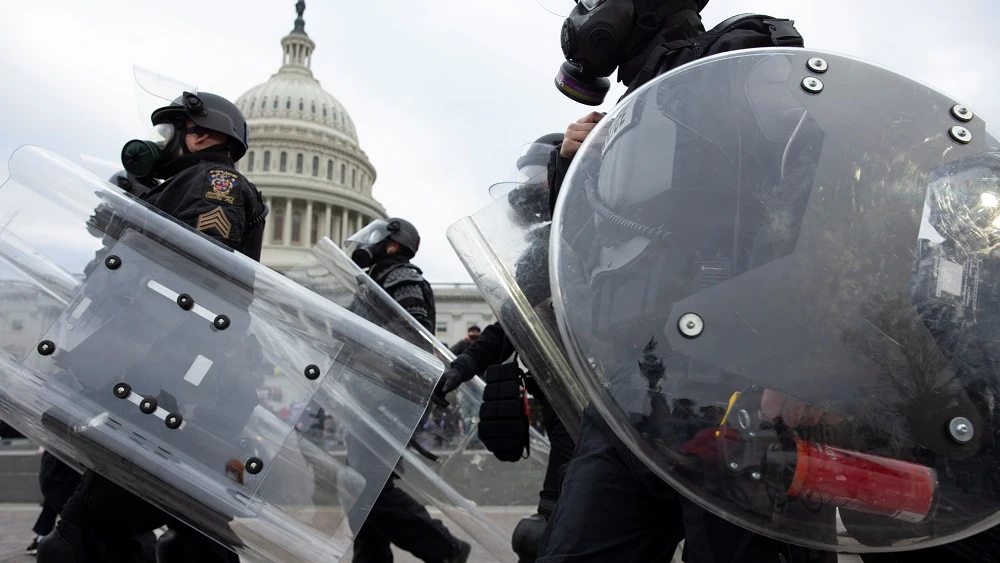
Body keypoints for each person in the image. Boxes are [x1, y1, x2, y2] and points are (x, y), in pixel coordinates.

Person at [538, 7, 1000, 561]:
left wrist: (805, 353)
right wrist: (574, 168)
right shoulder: (631, 116)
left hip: (740, 382)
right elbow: (589, 249)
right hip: (632, 385)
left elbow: (836, 188)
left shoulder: (746, 62)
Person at [38, 87, 266, 563]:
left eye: (171, 131)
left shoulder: (215, 184)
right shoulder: (185, 184)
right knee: (165, 527)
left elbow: (192, 277)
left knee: (82, 535)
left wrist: (134, 228)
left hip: (160, 373)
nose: (159, 142)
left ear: (202, 136)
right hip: (152, 372)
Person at [435, 133, 577, 563]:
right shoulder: (540, 247)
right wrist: (464, 364)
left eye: (538, 176)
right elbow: (515, 323)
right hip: (564, 406)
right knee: (544, 532)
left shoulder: (597, 239)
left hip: (611, 408)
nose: (528, 186)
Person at [344, 217, 472, 563]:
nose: (365, 244)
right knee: (360, 485)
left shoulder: (401, 279)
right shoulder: (376, 280)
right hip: (371, 393)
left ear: (393, 245)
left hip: (389, 395)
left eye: (375, 238)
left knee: (369, 487)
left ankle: (445, 547)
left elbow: (409, 343)